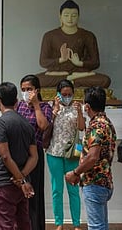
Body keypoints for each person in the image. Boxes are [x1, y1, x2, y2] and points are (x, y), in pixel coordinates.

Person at [65, 86, 116, 230]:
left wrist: (75, 172)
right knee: (101, 225)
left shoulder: (97, 126)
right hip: (104, 181)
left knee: (96, 227)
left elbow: (93, 157)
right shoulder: (107, 123)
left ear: (87, 106)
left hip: (94, 181)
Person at [0, 82, 38, 229]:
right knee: (23, 224)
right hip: (22, 185)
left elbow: (5, 156)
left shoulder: (1, 123)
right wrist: (22, 177)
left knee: (5, 225)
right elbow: (34, 157)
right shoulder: (27, 124)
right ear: (16, 101)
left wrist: (19, 179)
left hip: (4, 182)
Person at [36, 0, 111, 88]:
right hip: (56, 74)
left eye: (74, 15)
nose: (70, 19)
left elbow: (95, 62)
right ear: (60, 17)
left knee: (105, 80)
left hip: (81, 73)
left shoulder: (88, 35)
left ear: (78, 16)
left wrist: (79, 63)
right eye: (66, 15)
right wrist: (61, 60)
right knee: (36, 80)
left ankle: (68, 80)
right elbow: (43, 62)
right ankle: (70, 79)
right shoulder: (49, 36)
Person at [46, 79, 85, 230]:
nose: (67, 97)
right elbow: (47, 127)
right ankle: (59, 223)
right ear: (58, 94)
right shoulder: (52, 107)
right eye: (64, 94)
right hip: (54, 152)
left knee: (73, 189)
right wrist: (55, 110)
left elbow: (81, 127)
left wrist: (80, 111)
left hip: (72, 153)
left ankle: (76, 223)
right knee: (57, 189)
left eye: (69, 94)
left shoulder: (76, 108)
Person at [16, 74, 53, 230]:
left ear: (37, 90)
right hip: (19, 152)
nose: (26, 92)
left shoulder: (45, 107)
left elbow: (43, 126)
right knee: (18, 192)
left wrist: (36, 105)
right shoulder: (19, 106)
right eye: (23, 89)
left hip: (35, 153)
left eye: (29, 89)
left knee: (34, 193)